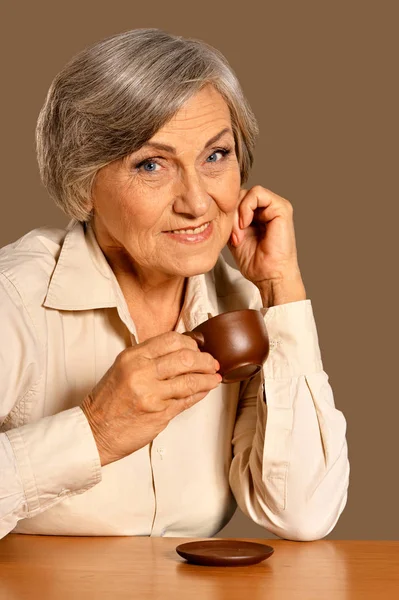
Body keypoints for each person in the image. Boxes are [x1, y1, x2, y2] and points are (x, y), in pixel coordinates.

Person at [0, 28, 349, 540]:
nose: (198, 201)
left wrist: (281, 288)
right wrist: (94, 433)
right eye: (151, 164)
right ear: (83, 181)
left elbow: (302, 513)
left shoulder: (242, 301)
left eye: (215, 156)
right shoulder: (15, 299)